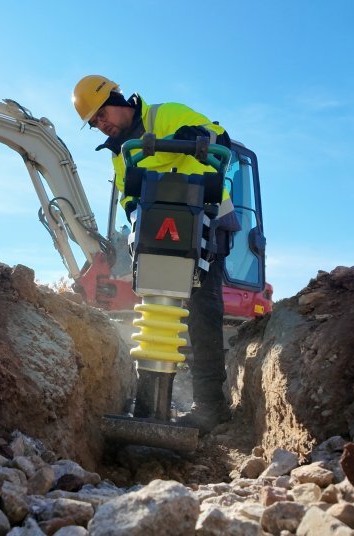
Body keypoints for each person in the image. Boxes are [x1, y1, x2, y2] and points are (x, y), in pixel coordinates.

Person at [72, 75, 240, 434]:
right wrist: (134, 223)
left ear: (118, 100)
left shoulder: (165, 115)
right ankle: (149, 403)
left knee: (202, 311)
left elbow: (218, 138)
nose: (102, 125)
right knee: (153, 312)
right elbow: (129, 196)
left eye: (103, 115)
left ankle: (211, 407)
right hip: (157, 229)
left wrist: (188, 140)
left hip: (204, 219)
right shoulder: (120, 153)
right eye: (95, 123)